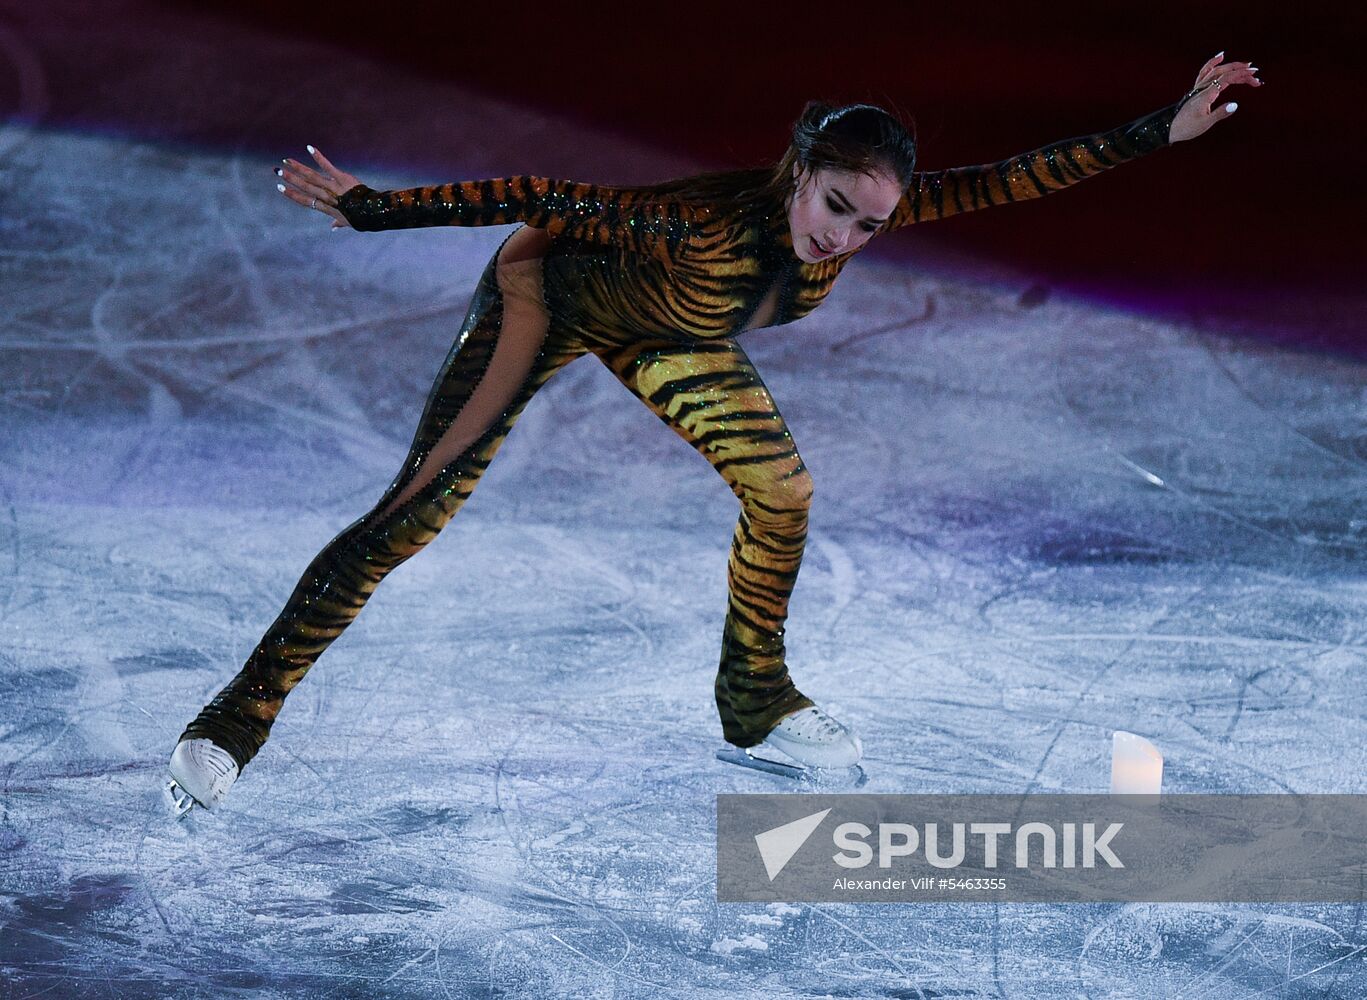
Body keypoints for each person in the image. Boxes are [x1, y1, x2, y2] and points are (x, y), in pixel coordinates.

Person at [165, 54, 1260, 812]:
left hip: (664, 334)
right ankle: (232, 722)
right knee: (413, 516)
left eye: (870, 225)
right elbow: (541, 193)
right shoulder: (696, 220)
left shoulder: (854, 222)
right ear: (797, 172)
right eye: (834, 206)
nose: (843, 239)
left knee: (782, 493)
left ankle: (754, 699)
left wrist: (1161, 128)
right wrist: (370, 207)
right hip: (546, 296)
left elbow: (1010, 178)